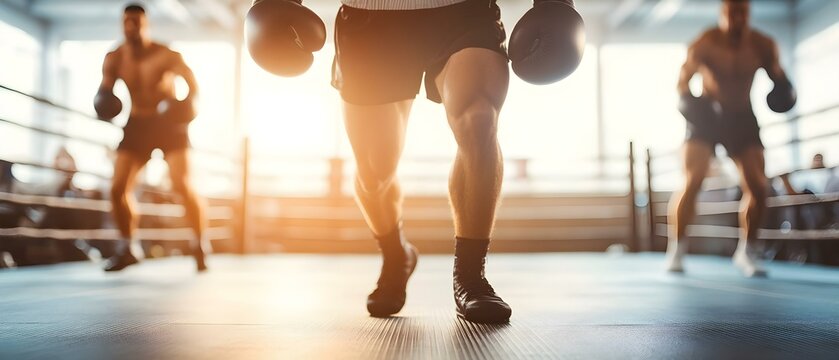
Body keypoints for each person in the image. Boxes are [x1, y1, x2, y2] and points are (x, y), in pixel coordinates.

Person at [244, 0, 584, 323]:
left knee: (480, 120)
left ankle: (471, 275)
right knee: (374, 173)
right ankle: (396, 255)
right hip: (371, 18)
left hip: (466, 13)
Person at [666, 0, 797, 277]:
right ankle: (677, 248)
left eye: (743, 13)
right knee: (693, 180)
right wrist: (692, 106)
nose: (737, 18)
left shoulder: (762, 45)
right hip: (707, 116)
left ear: (749, 13)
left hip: (742, 117)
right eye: (731, 13)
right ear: (722, 14)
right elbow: (681, 82)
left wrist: (784, 88)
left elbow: (780, 79)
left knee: (759, 187)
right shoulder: (705, 42)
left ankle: (747, 252)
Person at [94, 4, 209, 272]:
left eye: (136, 21)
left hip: (169, 124)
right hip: (137, 124)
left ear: (146, 24)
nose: (131, 26)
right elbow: (104, 92)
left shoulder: (167, 55)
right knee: (117, 188)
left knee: (181, 185)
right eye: (126, 21)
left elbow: (194, 87)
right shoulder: (114, 58)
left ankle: (200, 243)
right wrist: (103, 104)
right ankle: (127, 247)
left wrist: (188, 105)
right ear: (122, 24)